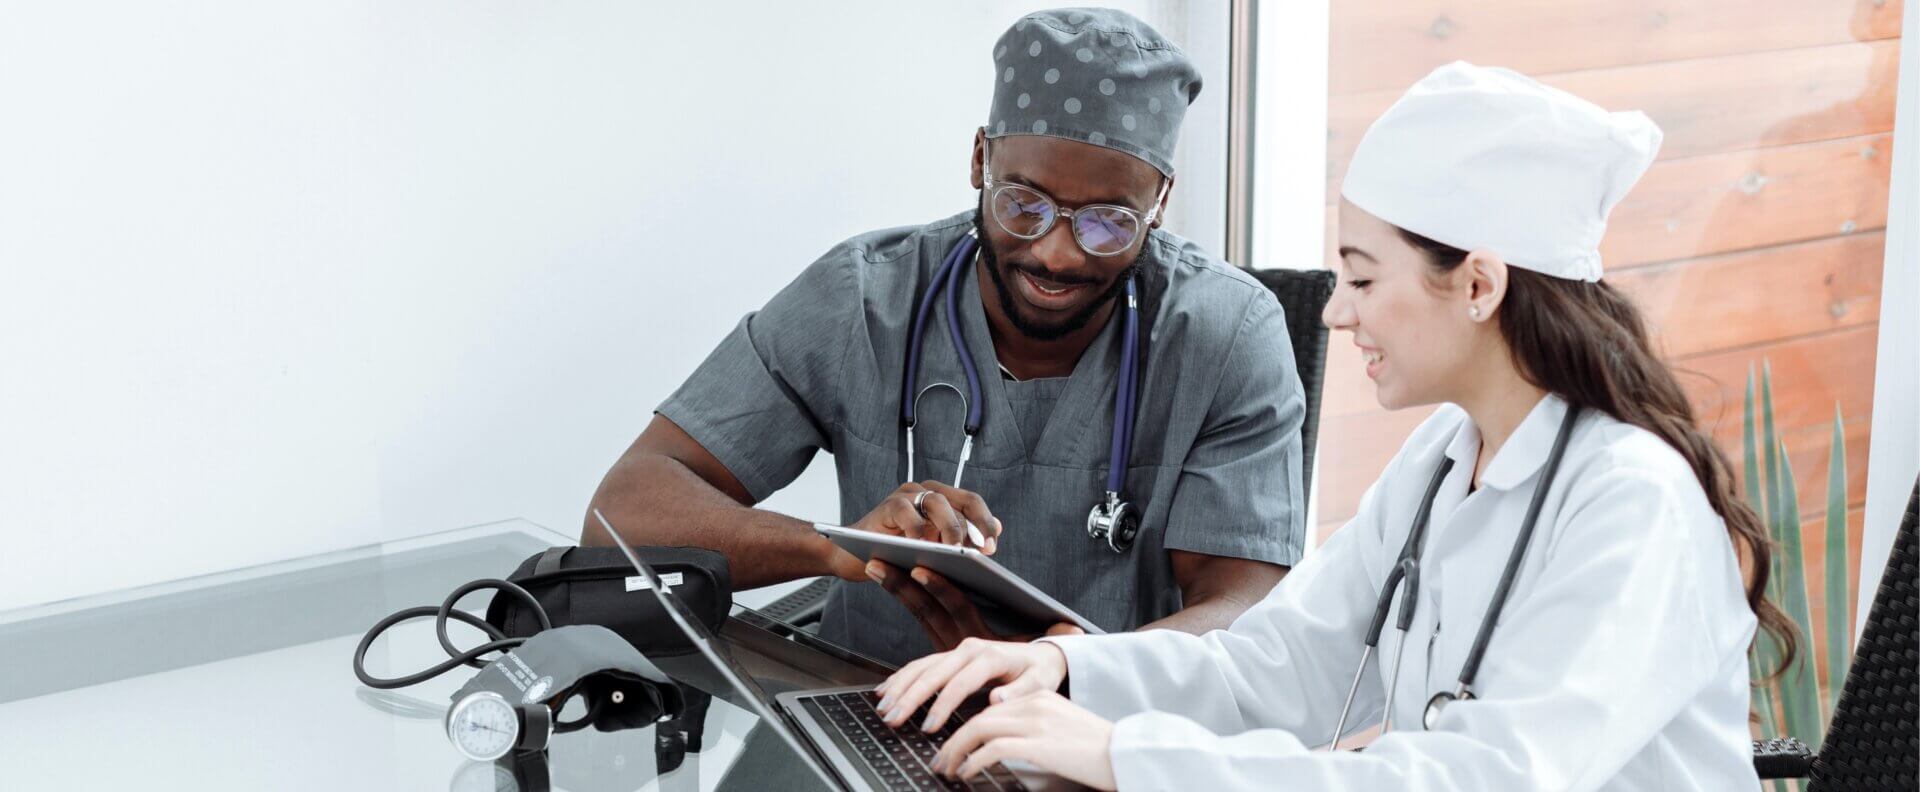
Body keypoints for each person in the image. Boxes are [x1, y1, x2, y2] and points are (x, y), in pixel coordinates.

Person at [870, 62, 1796, 791]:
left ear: (1478, 285)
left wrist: (1126, 758)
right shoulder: (1445, 457)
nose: (1334, 315)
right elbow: (1279, 663)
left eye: (1360, 278)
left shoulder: (1636, 503)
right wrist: (1068, 677)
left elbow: (1493, 776)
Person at [584, 8, 1308, 666]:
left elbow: (1245, 612)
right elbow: (622, 511)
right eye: (1023, 203)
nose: (1057, 253)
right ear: (978, 161)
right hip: (868, 700)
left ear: (1161, 201)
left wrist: (1061, 672)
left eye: (1109, 222)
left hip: (1098, 733)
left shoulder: (1225, 335)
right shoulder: (865, 299)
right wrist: (840, 549)